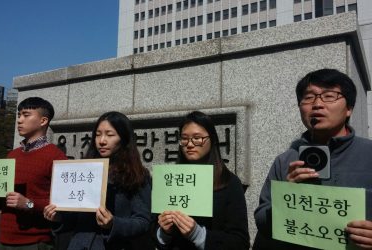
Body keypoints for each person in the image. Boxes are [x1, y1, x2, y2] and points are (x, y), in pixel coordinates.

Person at [253, 68, 372, 249]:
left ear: (349, 108)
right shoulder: (285, 160)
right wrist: (287, 196)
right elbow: (262, 220)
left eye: (329, 96)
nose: (317, 104)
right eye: (308, 97)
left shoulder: (368, 153)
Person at [43, 111, 152, 250]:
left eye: (110, 134)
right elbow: (75, 218)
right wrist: (59, 218)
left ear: (124, 138)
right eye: (98, 134)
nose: (102, 141)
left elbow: (143, 221)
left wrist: (113, 224)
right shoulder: (83, 170)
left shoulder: (137, 174)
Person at [0, 97, 68, 249]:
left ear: (43, 121)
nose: (19, 120)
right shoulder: (12, 155)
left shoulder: (56, 157)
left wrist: (28, 204)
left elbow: (64, 205)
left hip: (36, 242)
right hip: (4, 240)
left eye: (26, 115)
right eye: (19, 115)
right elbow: (3, 199)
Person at [156, 111, 250, 250]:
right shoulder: (171, 180)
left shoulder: (229, 182)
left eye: (197, 138)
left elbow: (240, 242)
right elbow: (153, 232)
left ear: (211, 139)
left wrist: (198, 235)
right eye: (184, 138)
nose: (189, 144)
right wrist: (163, 233)